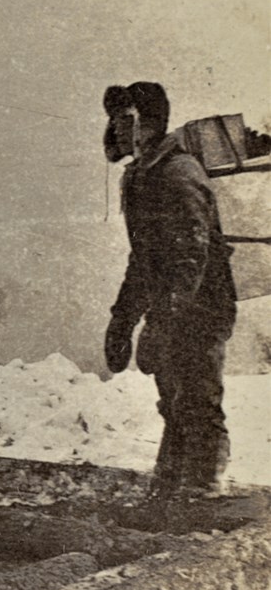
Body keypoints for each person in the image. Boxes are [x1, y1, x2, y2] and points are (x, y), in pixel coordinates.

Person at [101, 81, 237, 501]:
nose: (118, 130)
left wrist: (160, 322)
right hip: (172, 306)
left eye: (127, 121)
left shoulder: (179, 173)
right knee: (173, 400)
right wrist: (122, 319)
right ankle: (172, 485)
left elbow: (190, 259)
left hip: (201, 306)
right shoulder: (142, 175)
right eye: (114, 121)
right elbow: (142, 258)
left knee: (197, 399)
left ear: (151, 123)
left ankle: (204, 492)